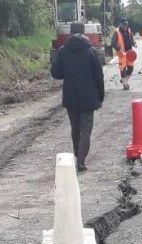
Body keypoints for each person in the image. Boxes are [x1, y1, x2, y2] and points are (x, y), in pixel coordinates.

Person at [50, 23, 105, 173]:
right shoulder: (91, 50)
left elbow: (56, 73)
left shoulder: (63, 51)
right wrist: (100, 95)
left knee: (75, 129)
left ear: (70, 32)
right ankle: (81, 160)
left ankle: (77, 156)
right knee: (86, 130)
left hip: (71, 97)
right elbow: (99, 76)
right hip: (89, 97)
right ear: (83, 32)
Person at [112, 20, 136, 90]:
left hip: (129, 53)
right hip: (121, 54)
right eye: (124, 25)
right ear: (120, 24)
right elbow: (113, 42)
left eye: (126, 24)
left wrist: (134, 43)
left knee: (131, 68)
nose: (125, 26)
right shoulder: (116, 32)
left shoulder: (129, 30)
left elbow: (131, 38)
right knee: (123, 69)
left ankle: (123, 80)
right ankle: (125, 84)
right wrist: (118, 48)